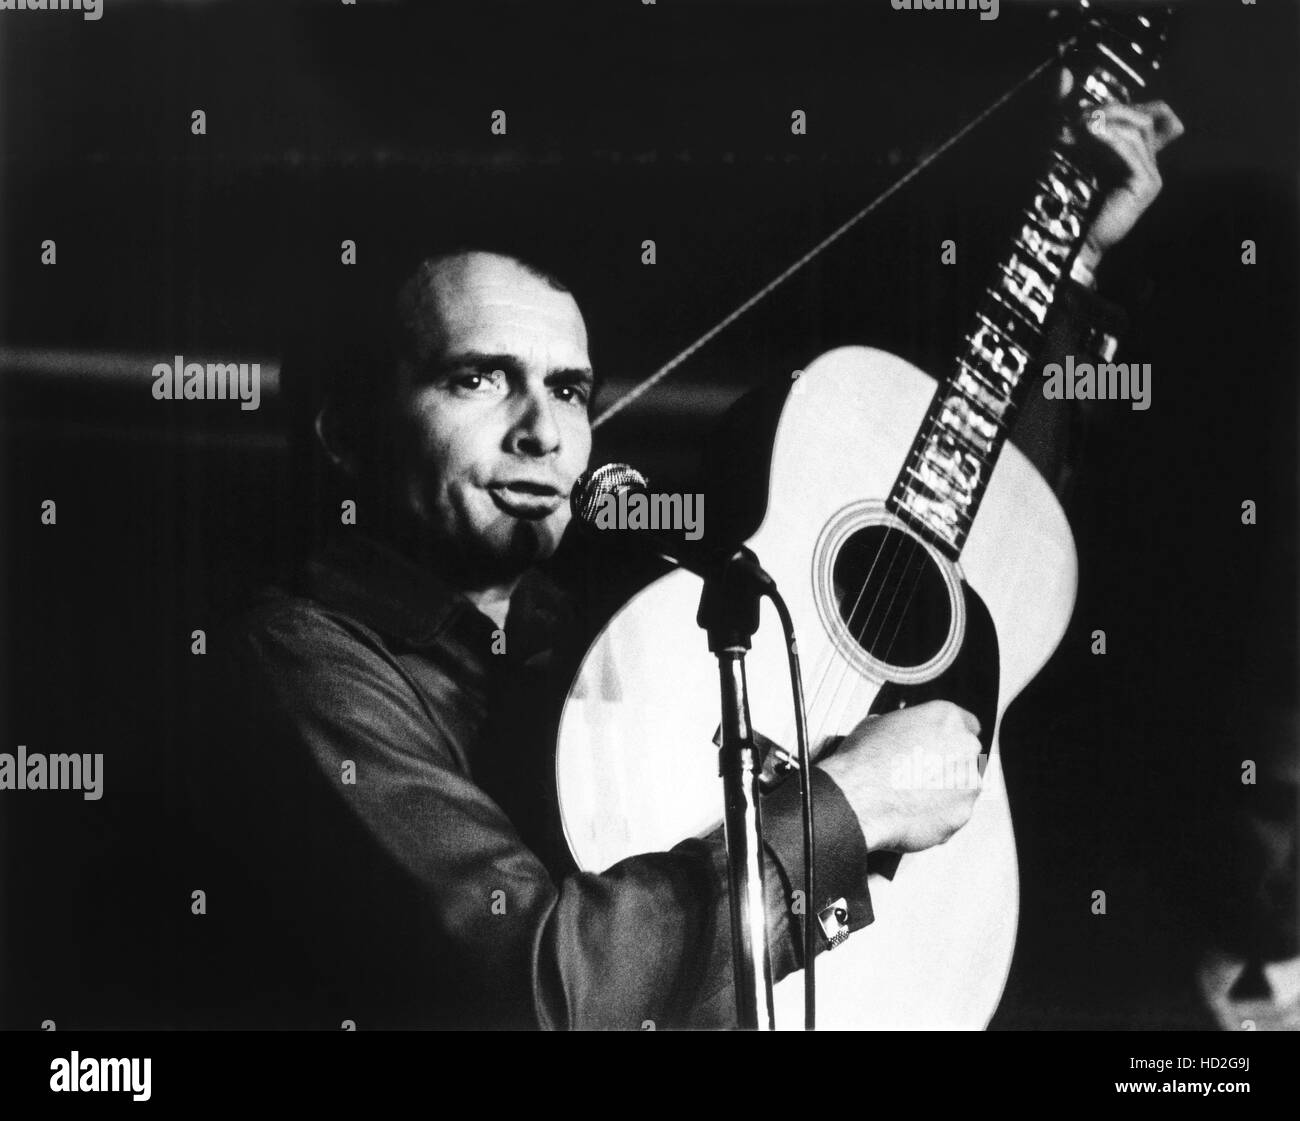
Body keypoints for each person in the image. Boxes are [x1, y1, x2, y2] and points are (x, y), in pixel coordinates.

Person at [187, 97, 1183, 1030]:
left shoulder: (604, 618)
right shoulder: (300, 659)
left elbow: (984, 530)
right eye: (478, 377)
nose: (544, 430)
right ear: (349, 432)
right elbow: (536, 990)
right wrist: (855, 800)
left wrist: (1068, 265)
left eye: (572, 388)